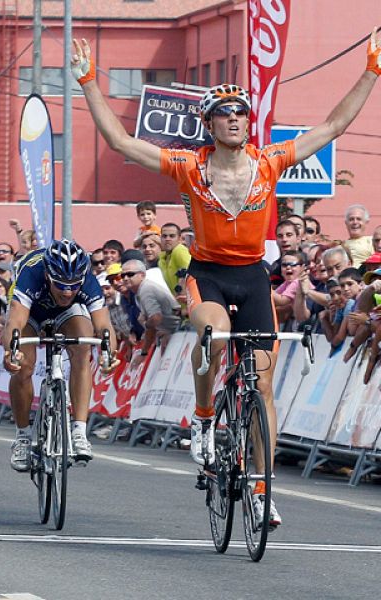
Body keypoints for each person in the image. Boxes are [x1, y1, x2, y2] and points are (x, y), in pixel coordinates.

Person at [72, 28, 381, 528]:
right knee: (214, 336)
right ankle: (202, 418)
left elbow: (332, 126)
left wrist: (371, 70)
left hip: (252, 277)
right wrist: (88, 81)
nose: (235, 117)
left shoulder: (269, 161)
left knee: (262, 387)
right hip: (209, 275)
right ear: (209, 123)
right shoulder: (189, 166)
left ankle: (261, 489)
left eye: (241, 111)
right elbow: (120, 141)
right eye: (224, 112)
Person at [2, 239, 116, 470]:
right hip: (31, 311)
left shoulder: (87, 280)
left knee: (83, 347)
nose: (67, 291)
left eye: (74, 286)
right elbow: (15, 322)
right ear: (48, 275)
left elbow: (104, 325)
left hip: (67, 313)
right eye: (61, 284)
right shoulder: (32, 274)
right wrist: (11, 352)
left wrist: (108, 355)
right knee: (23, 365)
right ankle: (23, 436)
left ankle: (79, 431)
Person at [120, 259, 181, 360]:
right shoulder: (140, 290)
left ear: (142, 275)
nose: (125, 278)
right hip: (173, 333)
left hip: (178, 332)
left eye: (130, 274)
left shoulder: (145, 289)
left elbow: (156, 318)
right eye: (123, 275)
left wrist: (145, 324)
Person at [158, 222, 191, 296]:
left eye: (172, 236)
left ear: (179, 238)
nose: (167, 239)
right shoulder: (161, 258)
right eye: (164, 236)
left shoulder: (179, 250)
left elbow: (191, 275)